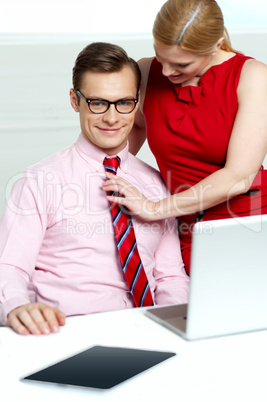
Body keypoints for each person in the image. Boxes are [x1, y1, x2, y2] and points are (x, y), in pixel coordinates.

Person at [0, 42, 189, 336]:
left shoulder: (156, 185)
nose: (112, 118)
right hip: (65, 333)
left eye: (123, 102)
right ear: (75, 101)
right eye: (97, 103)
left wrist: (172, 328)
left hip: (149, 333)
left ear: (137, 101)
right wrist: (17, 307)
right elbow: (9, 268)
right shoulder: (38, 181)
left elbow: (170, 278)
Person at [102, 0, 267, 275]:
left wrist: (154, 208)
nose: (166, 72)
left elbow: (239, 176)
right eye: (160, 57)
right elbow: (137, 128)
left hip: (246, 221)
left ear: (216, 45)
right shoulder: (145, 71)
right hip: (180, 223)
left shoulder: (253, 77)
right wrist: (96, 174)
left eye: (181, 64)